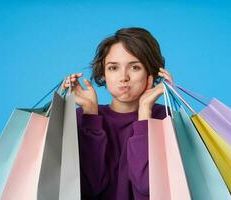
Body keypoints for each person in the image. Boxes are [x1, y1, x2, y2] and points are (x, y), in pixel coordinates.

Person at [62, 27, 173, 200]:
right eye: (113, 68)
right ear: (104, 74)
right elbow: (88, 188)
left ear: (150, 73)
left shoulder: (165, 119)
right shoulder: (82, 118)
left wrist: (144, 115)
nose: (123, 77)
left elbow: (147, 187)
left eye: (135, 67)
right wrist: (91, 116)